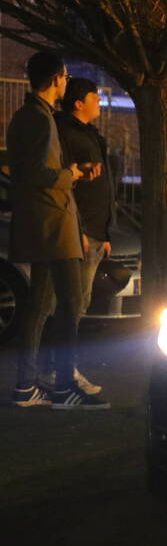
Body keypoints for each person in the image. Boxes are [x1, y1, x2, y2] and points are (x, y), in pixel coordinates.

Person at [7, 52, 109, 409]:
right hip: (53, 220)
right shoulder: (38, 118)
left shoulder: (30, 116)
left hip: (44, 220)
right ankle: (64, 385)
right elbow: (39, 173)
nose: (66, 82)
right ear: (56, 80)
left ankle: (26, 386)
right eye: (65, 77)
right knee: (70, 304)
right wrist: (74, 174)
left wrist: (69, 170)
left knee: (38, 305)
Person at [48, 77, 112, 395]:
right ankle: (63, 371)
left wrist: (105, 231)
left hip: (94, 232)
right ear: (78, 102)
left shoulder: (87, 132)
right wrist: (82, 230)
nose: (98, 101)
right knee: (72, 304)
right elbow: (68, 186)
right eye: (94, 97)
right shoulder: (67, 132)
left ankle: (60, 368)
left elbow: (100, 185)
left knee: (78, 302)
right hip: (81, 232)